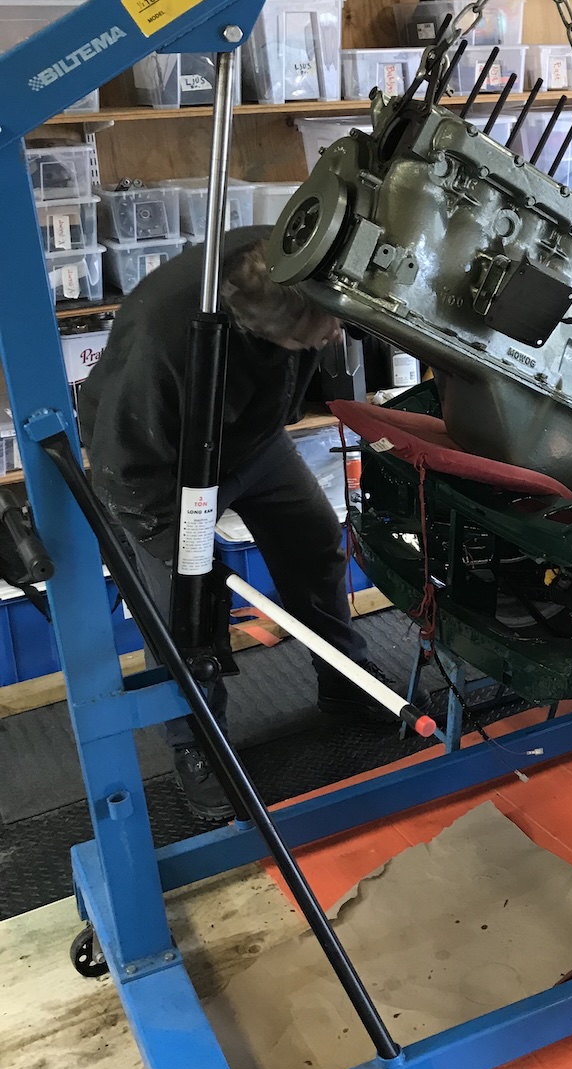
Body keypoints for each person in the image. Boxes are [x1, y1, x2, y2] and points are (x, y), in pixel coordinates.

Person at [78, 226, 401, 823]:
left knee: (314, 542)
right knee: (181, 611)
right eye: (315, 336)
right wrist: (183, 557)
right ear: (259, 331)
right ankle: (197, 742)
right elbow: (126, 472)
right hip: (163, 467)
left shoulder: (301, 253)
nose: (334, 336)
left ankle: (344, 676)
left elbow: (325, 323)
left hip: (253, 438)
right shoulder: (163, 345)